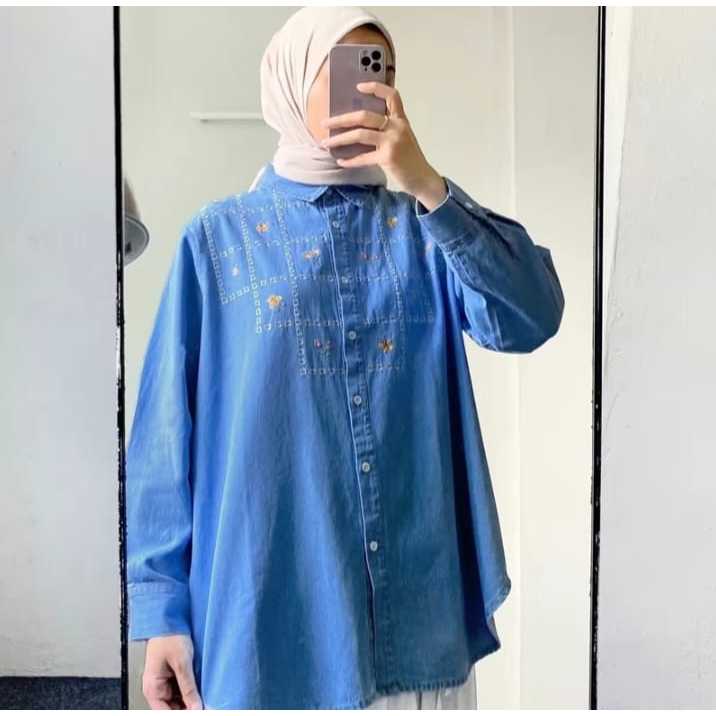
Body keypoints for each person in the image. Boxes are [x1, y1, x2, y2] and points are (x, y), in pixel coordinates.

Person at [125, 5, 565, 710]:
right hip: (268, 625)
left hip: (417, 631)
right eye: (339, 70)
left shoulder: (425, 231)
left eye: (378, 69)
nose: (363, 89)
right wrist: (161, 615)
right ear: (291, 81)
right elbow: (163, 439)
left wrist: (427, 184)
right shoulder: (217, 240)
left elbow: (531, 317)